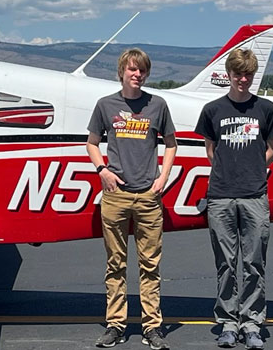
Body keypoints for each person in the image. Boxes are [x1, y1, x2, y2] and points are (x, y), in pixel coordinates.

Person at [87, 48, 178, 350]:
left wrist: (162, 178)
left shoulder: (158, 105)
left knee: (150, 265)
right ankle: (115, 325)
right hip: (115, 196)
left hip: (148, 198)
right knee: (116, 264)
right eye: (132, 70)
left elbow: (171, 144)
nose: (137, 75)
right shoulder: (105, 105)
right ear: (122, 72)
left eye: (142, 71)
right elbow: (91, 142)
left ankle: (152, 327)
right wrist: (102, 170)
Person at [194, 48, 273, 349]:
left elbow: (272, 148)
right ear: (229, 75)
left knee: (254, 261)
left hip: (255, 195)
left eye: (248, 74)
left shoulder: (266, 109)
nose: (243, 79)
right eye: (238, 74)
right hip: (220, 196)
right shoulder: (212, 110)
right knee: (226, 264)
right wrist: (228, 170)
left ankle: (253, 322)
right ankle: (228, 323)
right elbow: (211, 150)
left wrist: (255, 168)